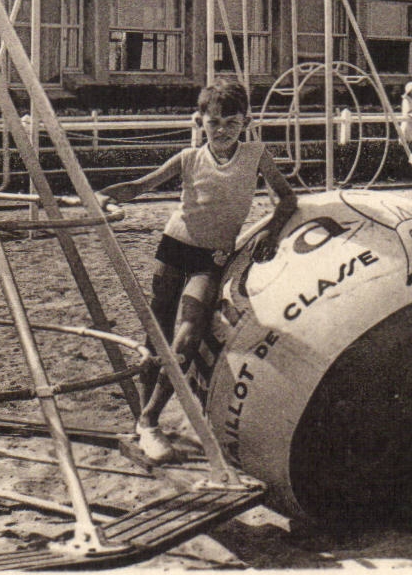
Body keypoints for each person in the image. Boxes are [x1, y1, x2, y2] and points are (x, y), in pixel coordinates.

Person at [100, 82, 299, 463]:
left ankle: (150, 418)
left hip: (211, 257)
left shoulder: (256, 155)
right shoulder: (189, 158)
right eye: (214, 122)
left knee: (189, 334)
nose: (222, 130)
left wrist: (270, 232)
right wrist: (104, 194)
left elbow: (287, 198)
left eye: (231, 122)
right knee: (156, 336)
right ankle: (145, 423)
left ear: (246, 123)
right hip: (173, 248)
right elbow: (139, 187)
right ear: (199, 122)